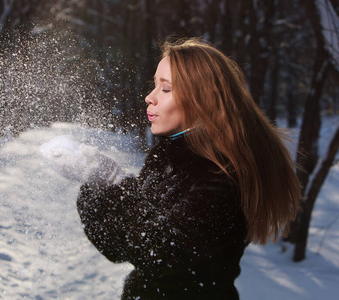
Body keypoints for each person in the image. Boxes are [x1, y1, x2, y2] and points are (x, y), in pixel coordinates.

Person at [39, 37, 301, 299]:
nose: (149, 97)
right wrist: (97, 183)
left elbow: (162, 255)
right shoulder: (168, 158)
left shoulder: (221, 172)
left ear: (201, 99)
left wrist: (116, 184)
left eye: (166, 89)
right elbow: (119, 248)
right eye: (155, 85)